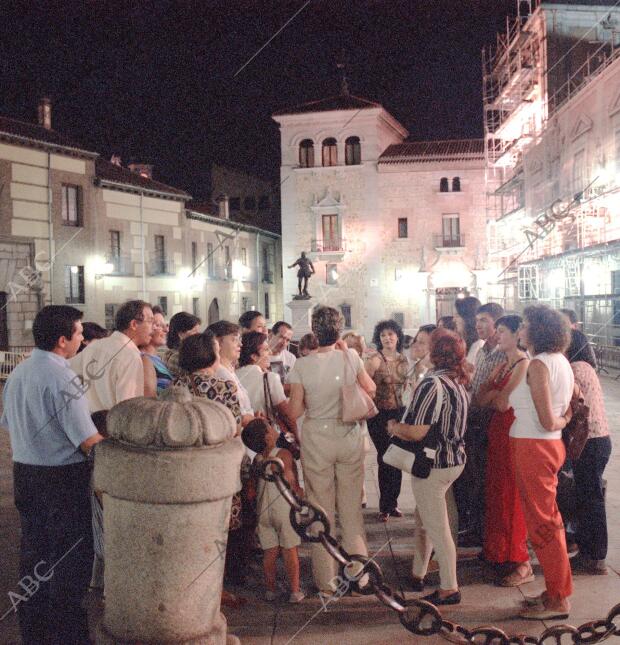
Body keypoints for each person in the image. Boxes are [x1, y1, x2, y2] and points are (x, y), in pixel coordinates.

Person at [1, 305, 105, 644]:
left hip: (26, 474)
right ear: (62, 340)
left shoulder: (19, 372)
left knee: (34, 559)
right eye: (78, 334)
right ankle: (68, 636)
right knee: (69, 562)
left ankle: (35, 633)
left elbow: (8, 423)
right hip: (61, 480)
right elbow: (87, 440)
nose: (82, 339)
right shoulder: (62, 377)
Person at [288, 306, 376, 594]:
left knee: (320, 509)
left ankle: (327, 581)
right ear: (339, 330)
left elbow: (295, 409)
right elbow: (371, 388)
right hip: (348, 434)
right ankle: (359, 574)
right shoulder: (350, 356)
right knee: (351, 508)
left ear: (314, 332)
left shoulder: (302, 365)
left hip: (317, 437)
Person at [70, 299, 152, 591]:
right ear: (134, 324)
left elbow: (69, 378)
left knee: (97, 511)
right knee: (116, 515)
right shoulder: (129, 356)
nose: (153, 329)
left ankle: (96, 579)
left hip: (87, 436)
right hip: (113, 441)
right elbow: (127, 409)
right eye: (150, 322)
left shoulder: (96, 347)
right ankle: (115, 586)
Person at [387, 329, 469, 606]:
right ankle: (418, 572)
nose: (417, 346)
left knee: (437, 528)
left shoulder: (431, 384)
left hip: (434, 464)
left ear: (436, 352)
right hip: (453, 459)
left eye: (424, 343)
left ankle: (449, 587)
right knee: (429, 520)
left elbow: (418, 431)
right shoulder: (455, 381)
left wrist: (395, 427)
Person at [173, 332, 249, 603]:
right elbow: (236, 426)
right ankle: (218, 586)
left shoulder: (176, 386)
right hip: (219, 467)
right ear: (211, 354)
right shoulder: (223, 387)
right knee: (221, 526)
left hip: (186, 467)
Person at [510, 305, 574, 619]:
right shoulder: (560, 361)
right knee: (547, 521)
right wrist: (564, 418)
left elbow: (549, 419)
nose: (520, 330)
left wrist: (562, 419)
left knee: (544, 525)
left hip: (535, 447)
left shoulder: (538, 364)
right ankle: (554, 589)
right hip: (544, 446)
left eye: (524, 325)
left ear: (537, 330)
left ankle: (558, 599)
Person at [476, 315, 530, 586]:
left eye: (503, 331)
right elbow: (482, 398)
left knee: (511, 494)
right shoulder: (503, 363)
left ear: (517, 333)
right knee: (496, 492)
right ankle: (497, 551)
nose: (498, 335)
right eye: (496, 331)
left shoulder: (522, 363)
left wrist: (494, 393)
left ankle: (518, 558)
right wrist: (494, 392)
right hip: (498, 432)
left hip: (512, 432)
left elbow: (501, 403)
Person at [457, 302, 505, 546]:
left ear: (498, 323)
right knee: (475, 478)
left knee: (486, 479)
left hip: (491, 420)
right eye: (477, 321)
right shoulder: (483, 350)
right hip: (476, 419)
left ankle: (484, 531)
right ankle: (476, 527)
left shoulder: (505, 353)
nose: (478, 325)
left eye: (484, 320)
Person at [242, 418, 304, 603]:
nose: (275, 428)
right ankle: (294, 591)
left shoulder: (257, 460)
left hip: (264, 510)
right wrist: (299, 495)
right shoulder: (283, 454)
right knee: (289, 549)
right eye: (270, 427)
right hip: (283, 509)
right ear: (268, 438)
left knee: (269, 551)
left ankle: (270, 589)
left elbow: (252, 489)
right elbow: (291, 481)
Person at [566, 329, 612, 576]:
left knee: (591, 500)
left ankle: (595, 557)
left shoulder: (575, 369)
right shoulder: (585, 366)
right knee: (588, 497)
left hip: (590, 442)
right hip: (597, 441)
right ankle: (588, 552)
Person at [365, 320, 409, 522]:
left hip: (399, 413)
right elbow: (363, 385)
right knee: (385, 456)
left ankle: (394, 503)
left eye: (391, 334)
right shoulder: (375, 359)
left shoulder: (403, 359)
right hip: (379, 415)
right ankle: (385, 505)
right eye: (383, 335)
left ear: (398, 336)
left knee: (398, 456)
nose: (387, 338)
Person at [237, 331, 297, 441]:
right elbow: (286, 415)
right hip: (266, 439)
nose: (269, 353)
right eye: (265, 350)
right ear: (254, 356)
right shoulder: (270, 378)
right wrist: (299, 437)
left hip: (242, 438)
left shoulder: (234, 376)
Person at [208, 320, 254, 426]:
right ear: (218, 342)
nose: (240, 344)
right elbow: (236, 417)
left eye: (240, 339)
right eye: (234, 340)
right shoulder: (220, 373)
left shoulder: (228, 370)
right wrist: (252, 419)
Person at [140, 306, 173, 396]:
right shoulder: (144, 360)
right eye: (158, 325)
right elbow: (148, 399)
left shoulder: (157, 359)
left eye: (165, 325)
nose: (166, 330)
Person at [163, 312, 201, 377]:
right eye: (195, 332)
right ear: (181, 334)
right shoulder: (178, 357)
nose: (198, 337)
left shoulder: (171, 353)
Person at [454, 296, 482, 366]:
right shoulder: (462, 342)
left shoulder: (479, 346)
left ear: (467, 318)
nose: (454, 320)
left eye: (457, 316)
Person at [268, 321, 296, 387]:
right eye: (282, 337)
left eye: (287, 340)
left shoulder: (291, 358)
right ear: (270, 335)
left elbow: (292, 383)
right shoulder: (259, 356)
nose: (284, 343)